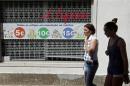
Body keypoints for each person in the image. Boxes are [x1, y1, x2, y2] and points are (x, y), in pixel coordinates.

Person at [104, 18, 129, 86]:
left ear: (112, 30)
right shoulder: (110, 40)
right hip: (110, 68)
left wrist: (126, 73)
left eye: (106, 31)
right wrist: (107, 52)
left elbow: (125, 59)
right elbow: (111, 51)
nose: (105, 33)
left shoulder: (120, 41)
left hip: (118, 70)